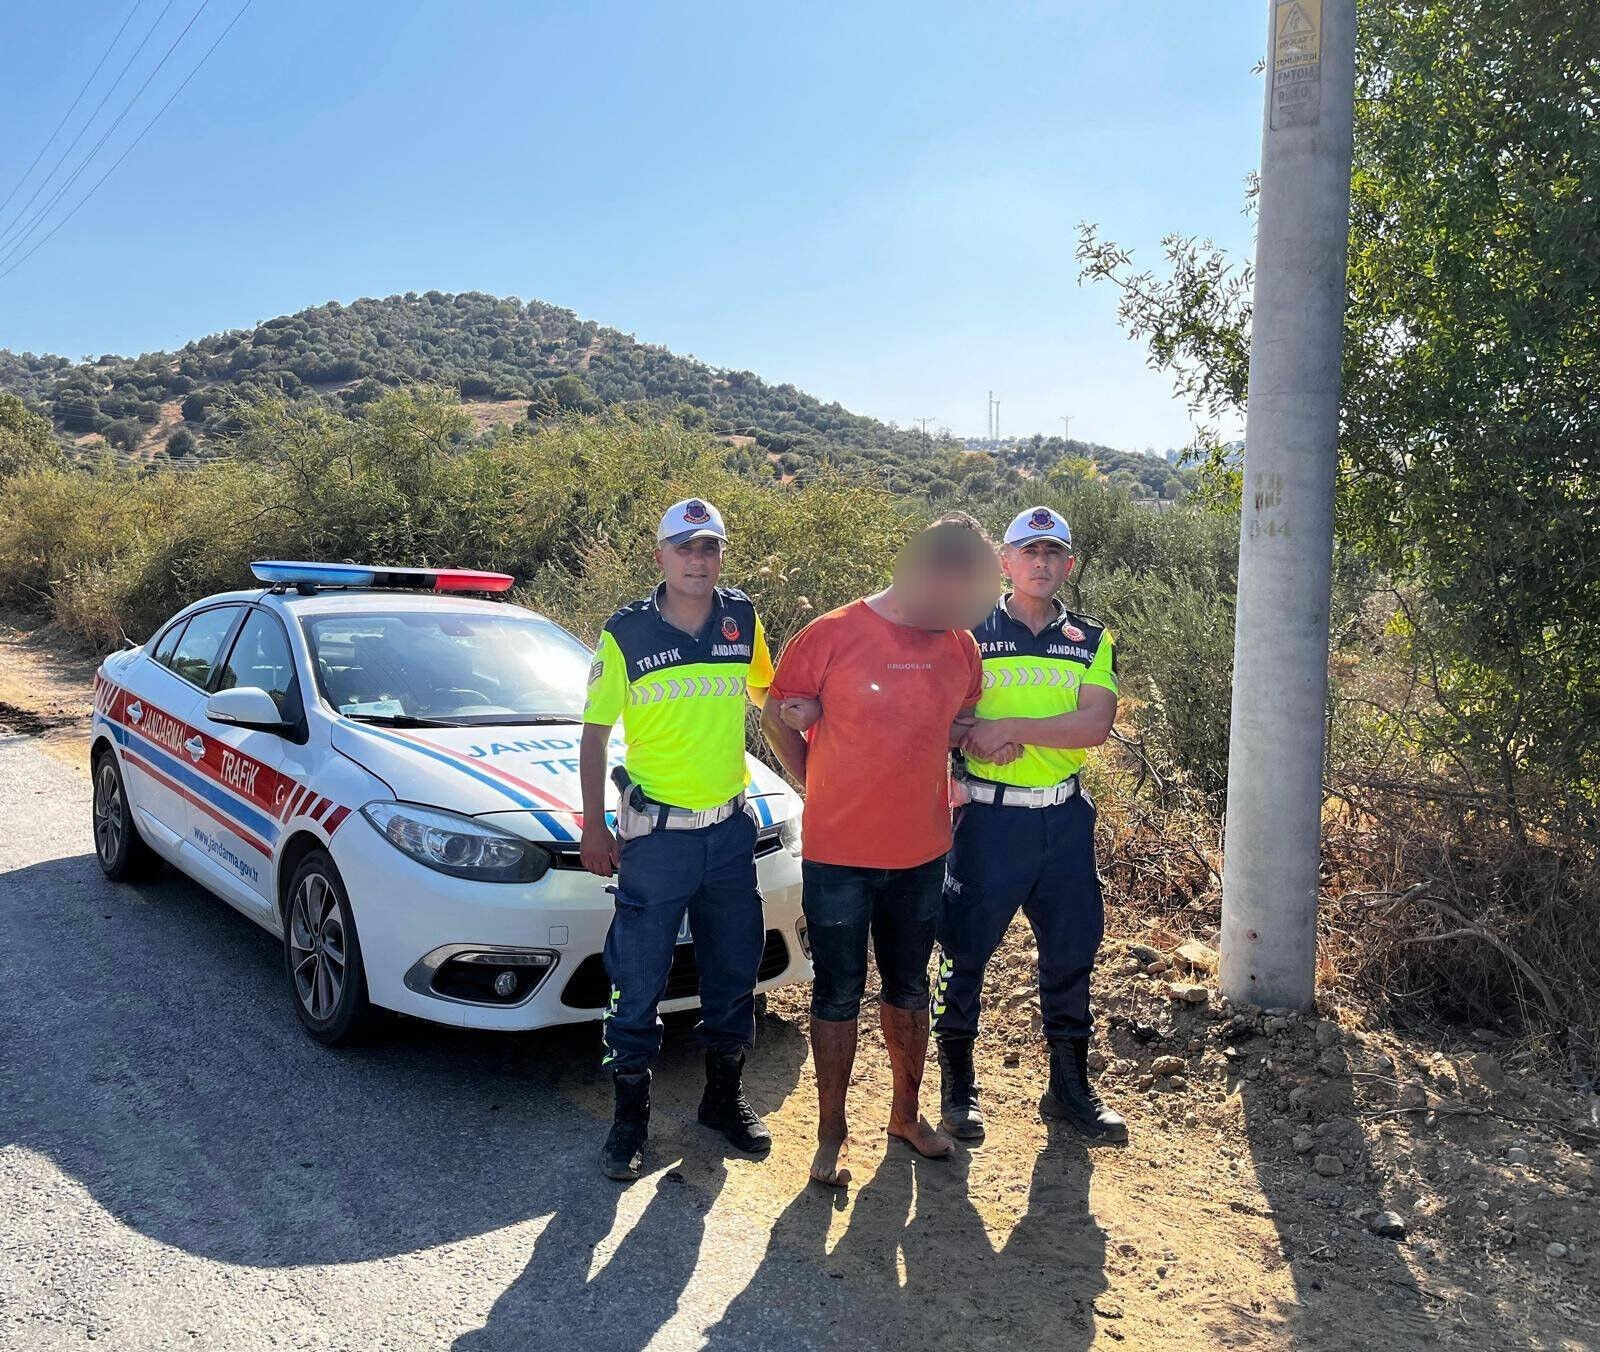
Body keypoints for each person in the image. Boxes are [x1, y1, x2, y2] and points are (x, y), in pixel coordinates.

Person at [760, 514, 999, 1187]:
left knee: (910, 986)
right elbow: (779, 712)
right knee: (837, 991)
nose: (960, 612)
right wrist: (814, 778)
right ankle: (831, 1134)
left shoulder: (961, 648)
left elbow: (956, 720)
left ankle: (905, 1115)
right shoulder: (831, 634)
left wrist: (975, 741)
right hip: (838, 853)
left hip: (922, 853)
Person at [579, 497, 776, 1182]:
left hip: (728, 834)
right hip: (655, 839)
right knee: (636, 981)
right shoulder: (625, 633)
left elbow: (770, 696)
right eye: (685, 547)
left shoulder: (742, 619)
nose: (699, 559)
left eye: (710, 547)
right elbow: (596, 733)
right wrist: (592, 823)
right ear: (660, 554)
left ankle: (721, 1101)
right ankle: (629, 1119)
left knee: (734, 973)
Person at [934, 505, 1126, 1142]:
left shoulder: (1090, 639)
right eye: (1029, 553)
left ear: (1068, 565)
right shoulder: (967, 633)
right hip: (988, 822)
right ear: (1005, 564)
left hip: (1063, 820)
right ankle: (957, 1087)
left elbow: (1095, 724)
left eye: (1054, 554)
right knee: (963, 952)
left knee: (1072, 954)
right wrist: (973, 738)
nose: (1042, 564)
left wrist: (1009, 727)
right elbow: (937, 716)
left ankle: (1069, 1090)